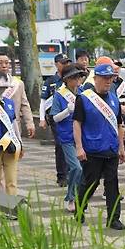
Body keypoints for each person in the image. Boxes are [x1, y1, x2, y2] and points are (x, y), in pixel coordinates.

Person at [73, 63, 125, 231]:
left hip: (110, 149)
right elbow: (77, 123)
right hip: (92, 150)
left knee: (112, 185)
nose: (108, 81)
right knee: (90, 183)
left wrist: (121, 147)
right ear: (95, 79)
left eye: (111, 78)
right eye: (104, 78)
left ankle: (114, 218)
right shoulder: (84, 98)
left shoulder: (114, 99)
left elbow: (119, 124)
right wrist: (79, 147)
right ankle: (79, 209)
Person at [50, 63, 86, 213]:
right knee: (75, 167)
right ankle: (70, 197)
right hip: (66, 136)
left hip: (83, 136)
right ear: (66, 79)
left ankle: (79, 197)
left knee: (83, 170)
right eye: (73, 77)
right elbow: (55, 118)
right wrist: (67, 111)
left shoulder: (83, 92)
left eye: (79, 76)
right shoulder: (59, 94)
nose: (77, 80)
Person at [40, 53, 71, 187]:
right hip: (56, 118)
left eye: (67, 63)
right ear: (57, 64)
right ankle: (62, 175)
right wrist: (42, 119)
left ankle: (71, 172)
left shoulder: (71, 79)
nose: (66, 65)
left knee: (71, 145)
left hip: (70, 117)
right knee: (60, 145)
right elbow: (43, 101)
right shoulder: (50, 81)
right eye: (63, 63)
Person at [0, 52, 35, 139]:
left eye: (6, 63)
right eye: (0, 63)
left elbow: (24, 105)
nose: (4, 65)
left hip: (14, 128)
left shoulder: (18, 83)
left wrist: (29, 123)